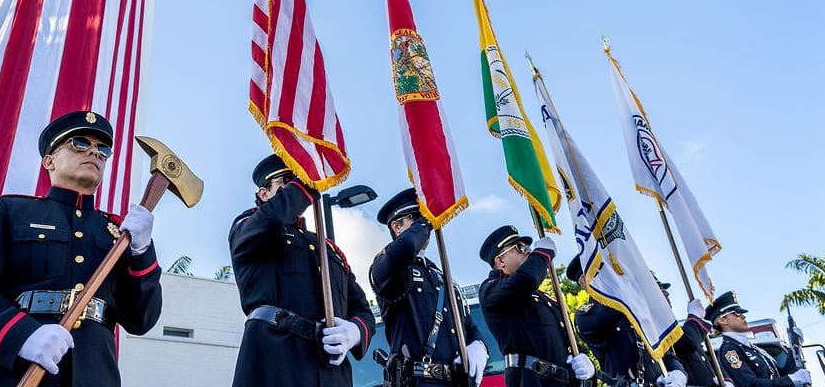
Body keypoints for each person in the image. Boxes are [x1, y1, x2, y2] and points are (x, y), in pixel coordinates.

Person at [0, 110, 162, 386]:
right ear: (49, 160)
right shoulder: (10, 211)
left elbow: (142, 319)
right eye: (80, 143)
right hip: (13, 371)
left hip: (94, 374)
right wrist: (21, 335)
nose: (95, 153)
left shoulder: (118, 236)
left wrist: (143, 251)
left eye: (102, 149)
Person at [229, 154, 376, 387]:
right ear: (263, 193)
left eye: (299, 178)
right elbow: (271, 219)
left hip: (331, 371)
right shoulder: (249, 226)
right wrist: (309, 178)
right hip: (277, 363)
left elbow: (361, 309)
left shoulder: (328, 249)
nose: (296, 184)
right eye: (287, 180)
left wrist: (355, 331)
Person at [369, 188, 488, 386]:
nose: (428, 225)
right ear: (397, 226)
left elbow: (467, 324)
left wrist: (479, 345)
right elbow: (406, 246)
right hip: (419, 380)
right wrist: (428, 218)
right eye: (417, 217)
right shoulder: (388, 267)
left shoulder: (441, 276)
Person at [477, 225, 595, 387]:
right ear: (500, 260)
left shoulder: (543, 297)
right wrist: (543, 254)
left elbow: (564, 341)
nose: (527, 251)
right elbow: (527, 279)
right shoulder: (491, 290)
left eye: (527, 247)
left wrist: (586, 366)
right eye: (519, 247)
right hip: (532, 381)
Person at [568, 257, 687, 387]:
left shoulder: (636, 311)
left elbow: (665, 352)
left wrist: (678, 372)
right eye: (600, 270)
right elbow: (612, 311)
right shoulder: (587, 314)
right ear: (584, 280)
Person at [706, 291, 811, 387]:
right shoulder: (730, 350)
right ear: (723, 320)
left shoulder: (755, 349)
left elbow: (780, 375)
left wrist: (794, 349)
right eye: (737, 313)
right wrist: (791, 380)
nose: (743, 316)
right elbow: (750, 384)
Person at [655, 275, 718, 387]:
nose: (667, 293)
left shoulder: (674, 327)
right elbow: (688, 341)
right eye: (659, 289)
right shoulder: (655, 328)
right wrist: (694, 317)